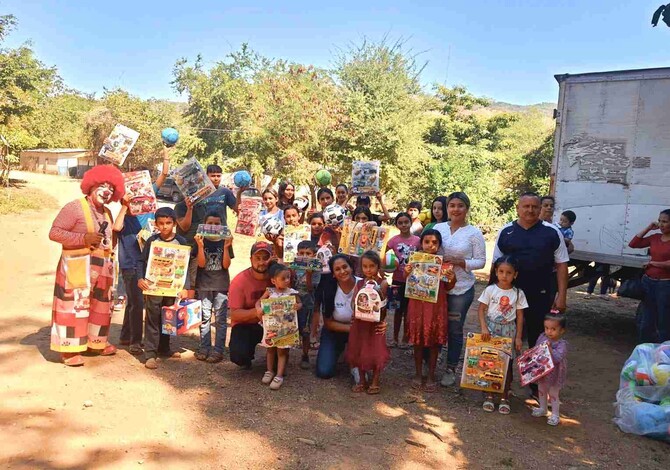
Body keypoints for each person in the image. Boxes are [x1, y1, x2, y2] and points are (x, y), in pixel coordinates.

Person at [492, 192, 569, 396]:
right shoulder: (506, 232)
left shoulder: (552, 233)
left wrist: (562, 295)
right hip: (510, 297)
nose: (530, 210)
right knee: (506, 338)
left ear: (540, 209)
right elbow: (496, 266)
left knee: (538, 341)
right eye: (525, 206)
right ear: (517, 208)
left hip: (540, 294)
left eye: (535, 206)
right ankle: (502, 383)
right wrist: (493, 296)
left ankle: (537, 387)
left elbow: (562, 265)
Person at [49, 164, 125, 366]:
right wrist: (84, 238)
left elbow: (110, 238)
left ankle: (96, 343)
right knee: (73, 307)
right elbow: (54, 233)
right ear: (91, 186)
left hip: (103, 269)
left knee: (101, 307)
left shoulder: (107, 212)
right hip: (77, 268)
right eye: (102, 185)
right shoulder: (74, 207)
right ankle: (68, 349)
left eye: (110, 187)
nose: (107, 191)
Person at [113, 148, 172, 355]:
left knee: (136, 302)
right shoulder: (124, 212)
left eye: (140, 187)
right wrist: (124, 206)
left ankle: (125, 335)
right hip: (130, 263)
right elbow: (116, 228)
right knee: (136, 303)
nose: (137, 191)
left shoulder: (149, 201)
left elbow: (164, 174)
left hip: (148, 263)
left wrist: (166, 153)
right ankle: (135, 341)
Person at [434, 192, 487, 387]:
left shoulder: (473, 233)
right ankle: (433, 359)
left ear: (467, 208)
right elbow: (427, 249)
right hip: (436, 288)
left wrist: (460, 262)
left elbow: (481, 261)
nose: (456, 209)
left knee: (454, 328)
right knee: (436, 324)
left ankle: (451, 367)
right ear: (447, 208)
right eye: (452, 205)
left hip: (460, 289)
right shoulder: (439, 228)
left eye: (460, 206)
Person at [137, 207, 191, 370]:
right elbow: (141, 261)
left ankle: (164, 348)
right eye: (161, 223)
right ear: (156, 224)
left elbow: (187, 266)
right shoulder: (152, 241)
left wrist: (185, 287)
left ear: (174, 223)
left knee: (168, 318)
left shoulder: (181, 242)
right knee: (153, 319)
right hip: (154, 288)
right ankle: (150, 354)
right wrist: (140, 278)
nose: (164, 227)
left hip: (172, 288)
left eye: (168, 223)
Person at [405, 229, 456, 392]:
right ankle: (418, 374)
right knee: (417, 342)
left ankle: (432, 375)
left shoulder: (444, 264)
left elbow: (449, 286)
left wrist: (452, 276)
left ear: (439, 245)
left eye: (435, 242)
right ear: (421, 243)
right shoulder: (414, 261)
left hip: (436, 307)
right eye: (427, 242)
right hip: (417, 305)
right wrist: (406, 273)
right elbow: (410, 282)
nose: (430, 245)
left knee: (434, 342)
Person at [478, 255, 527, 414]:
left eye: (509, 272)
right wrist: (484, 327)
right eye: (501, 271)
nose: (504, 276)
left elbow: (520, 316)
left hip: (509, 331)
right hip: (491, 330)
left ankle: (505, 395)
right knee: (490, 361)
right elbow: (480, 309)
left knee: (507, 364)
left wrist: (518, 337)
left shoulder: (518, 293)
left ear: (515, 274)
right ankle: (489, 395)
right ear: (496, 272)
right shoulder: (490, 289)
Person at [176, 164, 237, 289]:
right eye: (212, 176)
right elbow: (185, 226)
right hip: (194, 242)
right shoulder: (189, 203)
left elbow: (237, 208)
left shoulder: (224, 192)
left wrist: (240, 192)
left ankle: (211, 294)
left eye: (218, 176)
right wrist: (189, 207)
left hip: (216, 240)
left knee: (212, 269)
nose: (215, 178)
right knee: (190, 275)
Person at [346, 251, 391, 394]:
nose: (368, 269)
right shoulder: (359, 283)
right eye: (365, 266)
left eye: (372, 266)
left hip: (375, 324)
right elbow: (353, 301)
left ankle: (375, 380)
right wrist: (355, 311)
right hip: (360, 323)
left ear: (378, 266)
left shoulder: (382, 283)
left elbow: (384, 305)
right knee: (359, 350)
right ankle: (362, 380)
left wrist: (383, 321)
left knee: (375, 350)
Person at [193, 212, 234, 363]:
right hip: (204, 285)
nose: (214, 226)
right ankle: (204, 347)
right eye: (210, 223)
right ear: (204, 224)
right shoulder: (200, 240)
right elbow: (201, 264)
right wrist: (200, 245)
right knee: (204, 318)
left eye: (217, 224)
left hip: (221, 285)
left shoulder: (224, 241)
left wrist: (226, 246)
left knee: (221, 320)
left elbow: (226, 265)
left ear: (222, 225)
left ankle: (218, 350)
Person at [255, 262, 302, 390]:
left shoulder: (292, 292)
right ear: (273, 281)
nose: (287, 280)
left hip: (286, 327)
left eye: (288, 277)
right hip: (272, 326)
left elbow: (299, 304)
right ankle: (269, 371)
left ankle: (279, 375)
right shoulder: (269, 292)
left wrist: (297, 306)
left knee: (282, 351)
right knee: (270, 349)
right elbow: (258, 302)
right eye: (283, 278)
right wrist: (259, 309)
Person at [228, 241, 274, 368]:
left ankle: (277, 357)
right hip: (247, 325)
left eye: (265, 258)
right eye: (257, 258)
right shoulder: (239, 281)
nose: (261, 262)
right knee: (239, 356)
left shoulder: (278, 276)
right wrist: (257, 311)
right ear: (250, 259)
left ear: (272, 258)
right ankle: (246, 355)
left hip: (273, 324)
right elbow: (235, 315)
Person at [628, 209, 670, 343]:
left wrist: (653, 263)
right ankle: (644, 350)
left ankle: (663, 353)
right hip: (648, 282)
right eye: (659, 221)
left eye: (665, 222)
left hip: (665, 285)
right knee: (646, 320)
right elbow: (633, 244)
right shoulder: (655, 238)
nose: (661, 224)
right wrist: (648, 228)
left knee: (664, 321)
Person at [314, 255, 359, 379]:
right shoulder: (329, 289)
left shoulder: (363, 285)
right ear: (333, 274)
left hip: (360, 333)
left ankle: (352, 356)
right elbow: (328, 323)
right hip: (334, 331)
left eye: (345, 267)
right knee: (324, 371)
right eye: (337, 269)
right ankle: (339, 350)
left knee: (363, 368)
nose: (343, 271)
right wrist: (352, 329)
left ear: (351, 267)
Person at [386, 212, 420, 348]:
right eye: (400, 222)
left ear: (411, 223)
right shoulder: (393, 240)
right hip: (397, 280)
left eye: (406, 222)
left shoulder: (417, 240)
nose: (404, 225)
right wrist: (384, 266)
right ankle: (394, 338)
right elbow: (382, 250)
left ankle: (406, 339)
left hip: (413, 281)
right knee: (397, 310)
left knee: (409, 311)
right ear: (397, 225)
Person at [531, 314, 568, 426]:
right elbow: (536, 349)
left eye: (553, 329)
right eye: (546, 328)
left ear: (562, 330)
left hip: (555, 372)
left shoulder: (562, 344)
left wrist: (550, 349)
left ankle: (555, 414)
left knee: (553, 392)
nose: (549, 332)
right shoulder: (542, 337)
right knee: (541, 389)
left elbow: (557, 358)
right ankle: (543, 408)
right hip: (542, 370)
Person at [293, 240, 320, 369]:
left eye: (308, 253)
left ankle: (305, 354)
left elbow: (311, 288)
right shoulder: (294, 266)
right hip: (293, 302)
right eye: (301, 253)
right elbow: (290, 283)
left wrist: (309, 274)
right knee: (291, 326)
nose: (304, 256)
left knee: (305, 330)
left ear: (314, 255)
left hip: (307, 303)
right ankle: (284, 354)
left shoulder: (316, 269)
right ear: (297, 254)